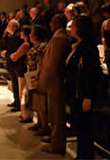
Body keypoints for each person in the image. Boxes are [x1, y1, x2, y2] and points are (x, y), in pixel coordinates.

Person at [65, 16, 103, 159]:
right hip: (75, 93)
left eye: (73, 25)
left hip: (82, 94)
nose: (71, 28)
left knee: (85, 129)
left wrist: (87, 96)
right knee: (80, 128)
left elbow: (89, 73)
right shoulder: (78, 44)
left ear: (80, 28)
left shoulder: (88, 48)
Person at [37, 14, 71, 155]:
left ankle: (57, 144)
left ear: (57, 23)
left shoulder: (59, 38)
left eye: (52, 21)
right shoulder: (58, 36)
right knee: (53, 113)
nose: (50, 23)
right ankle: (54, 138)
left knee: (57, 115)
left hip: (55, 82)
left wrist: (43, 81)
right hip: (54, 82)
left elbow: (52, 64)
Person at [27, 25, 48, 135]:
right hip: (32, 75)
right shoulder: (36, 45)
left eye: (31, 33)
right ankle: (39, 122)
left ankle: (44, 126)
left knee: (40, 101)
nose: (29, 35)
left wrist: (38, 78)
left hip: (37, 76)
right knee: (35, 101)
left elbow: (41, 63)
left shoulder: (41, 47)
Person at [9, 25, 32, 121]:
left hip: (23, 70)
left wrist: (11, 55)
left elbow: (15, 56)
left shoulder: (26, 45)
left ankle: (25, 115)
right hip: (26, 70)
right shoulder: (28, 43)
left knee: (22, 93)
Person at [1, 19, 23, 112]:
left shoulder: (17, 36)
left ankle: (18, 104)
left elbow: (13, 50)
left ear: (14, 27)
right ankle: (16, 101)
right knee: (14, 83)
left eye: (9, 25)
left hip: (16, 64)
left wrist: (6, 54)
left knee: (16, 84)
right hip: (13, 64)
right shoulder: (13, 35)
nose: (7, 27)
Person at [101, 0, 110, 90]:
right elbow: (102, 36)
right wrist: (106, 47)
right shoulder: (105, 23)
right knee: (109, 71)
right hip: (108, 50)